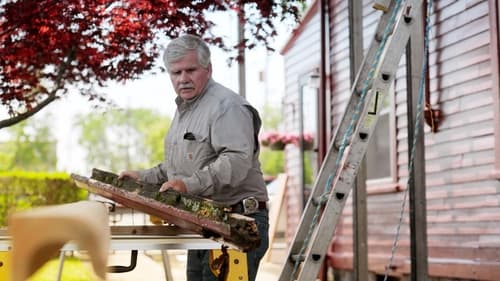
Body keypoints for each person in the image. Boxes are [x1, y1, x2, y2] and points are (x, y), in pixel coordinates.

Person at [119, 34, 269, 281]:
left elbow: (237, 161)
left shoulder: (227, 106)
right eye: (176, 73)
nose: (183, 79)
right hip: (203, 222)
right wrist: (141, 177)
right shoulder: (186, 110)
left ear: (208, 69)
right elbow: (177, 168)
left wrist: (187, 185)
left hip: (238, 223)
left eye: (191, 70)